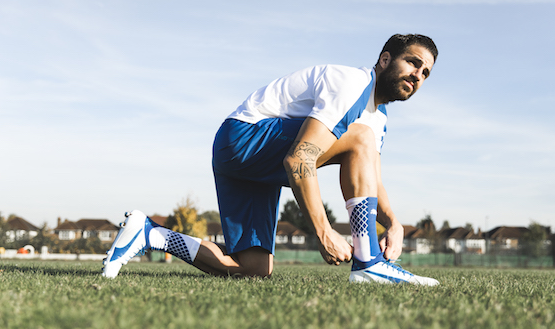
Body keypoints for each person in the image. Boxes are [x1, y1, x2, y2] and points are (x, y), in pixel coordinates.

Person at [102, 33, 439, 286]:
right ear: (384, 59)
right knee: (359, 139)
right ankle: (368, 264)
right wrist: (323, 232)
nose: (418, 75)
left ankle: (149, 234)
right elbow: (299, 159)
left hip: (253, 164)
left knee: (252, 269)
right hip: (244, 138)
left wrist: (393, 223)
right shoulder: (352, 84)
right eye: (412, 62)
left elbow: (370, 178)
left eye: (425, 73)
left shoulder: (376, 122)